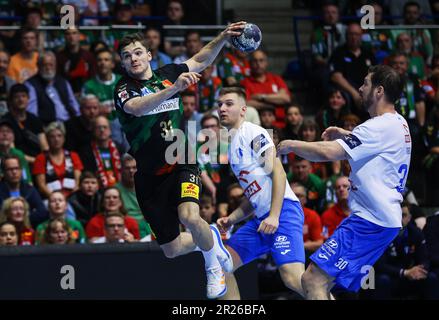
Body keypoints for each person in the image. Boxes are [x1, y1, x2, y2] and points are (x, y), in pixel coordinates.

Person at [113, 23, 245, 299]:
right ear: (123, 62)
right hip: (150, 175)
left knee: (189, 216)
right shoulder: (123, 89)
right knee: (171, 249)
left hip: (181, 158)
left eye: (138, 52)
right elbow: (139, 108)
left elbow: (199, 59)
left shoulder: (169, 72)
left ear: (149, 55)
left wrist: (220, 38)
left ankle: (213, 269)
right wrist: (173, 90)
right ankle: (210, 238)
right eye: (127, 56)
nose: (134, 58)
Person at [277, 65, 410, 299]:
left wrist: (290, 145)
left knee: (313, 279)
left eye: (365, 83)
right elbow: (376, 146)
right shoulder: (398, 122)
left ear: (379, 91)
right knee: (322, 283)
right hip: (380, 219)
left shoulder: (376, 127)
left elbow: (328, 153)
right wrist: (347, 135)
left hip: (370, 220)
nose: (359, 88)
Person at [216, 87, 305, 300]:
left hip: (283, 212)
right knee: (220, 267)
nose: (222, 108)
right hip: (262, 220)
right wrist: (232, 219)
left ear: (243, 110)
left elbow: (279, 173)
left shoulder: (253, 132)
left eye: (229, 104)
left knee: (293, 279)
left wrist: (274, 215)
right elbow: (254, 195)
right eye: (219, 104)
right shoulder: (231, 147)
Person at [25, 51, 80, 125]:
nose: (48, 68)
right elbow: (31, 113)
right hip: (46, 125)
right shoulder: (31, 85)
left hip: (67, 124)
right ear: (38, 66)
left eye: (51, 65)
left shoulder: (63, 82)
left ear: (55, 66)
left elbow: (74, 105)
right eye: (45, 65)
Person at [33, 121, 83, 199]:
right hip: (51, 199)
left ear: (64, 138)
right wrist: (56, 199)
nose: (56, 139)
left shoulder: (73, 156)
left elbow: (78, 182)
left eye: (59, 136)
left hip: (73, 198)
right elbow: (41, 186)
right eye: (52, 136)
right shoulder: (41, 158)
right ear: (47, 139)